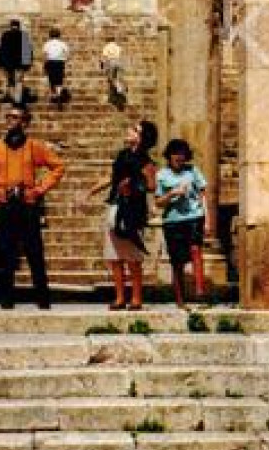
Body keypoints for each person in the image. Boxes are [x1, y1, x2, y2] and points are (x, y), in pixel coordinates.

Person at [0, 103, 64, 309]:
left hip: (27, 203)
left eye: (15, 117)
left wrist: (40, 189)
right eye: (8, 117)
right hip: (4, 203)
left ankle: (43, 299)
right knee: (5, 252)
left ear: (25, 122)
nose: (10, 121)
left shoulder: (34, 147)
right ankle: (6, 298)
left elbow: (58, 166)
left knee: (34, 251)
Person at [87, 119, 157, 311]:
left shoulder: (146, 161)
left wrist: (132, 187)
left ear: (142, 138)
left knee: (133, 257)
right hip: (116, 206)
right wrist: (92, 190)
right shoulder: (122, 155)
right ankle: (119, 297)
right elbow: (112, 178)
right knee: (114, 256)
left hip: (133, 210)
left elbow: (151, 185)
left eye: (135, 129)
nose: (129, 130)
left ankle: (136, 298)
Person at [156, 138, 212, 307]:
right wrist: (173, 193)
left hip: (194, 216)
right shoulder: (162, 175)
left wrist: (208, 220)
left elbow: (203, 195)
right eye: (176, 155)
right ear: (170, 156)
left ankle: (200, 290)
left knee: (196, 250)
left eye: (182, 155)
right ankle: (180, 298)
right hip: (173, 220)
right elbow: (158, 202)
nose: (179, 158)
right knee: (177, 260)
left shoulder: (193, 171)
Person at [0, 19, 33, 103]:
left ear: (11, 26)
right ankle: (17, 98)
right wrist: (28, 64)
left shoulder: (5, 35)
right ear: (19, 26)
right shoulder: (24, 35)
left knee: (10, 80)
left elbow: (2, 50)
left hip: (8, 62)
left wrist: (1, 63)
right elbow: (27, 50)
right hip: (20, 62)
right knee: (19, 80)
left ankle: (12, 97)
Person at [42, 27, 70, 103]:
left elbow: (45, 54)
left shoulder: (47, 44)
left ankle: (54, 95)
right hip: (60, 62)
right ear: (59, 35)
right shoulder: (62, 43)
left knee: (51, 80)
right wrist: (65, 60)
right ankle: (59, 94)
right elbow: (67, 53)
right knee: (59, 80)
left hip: (50, 62)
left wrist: (44, 65)